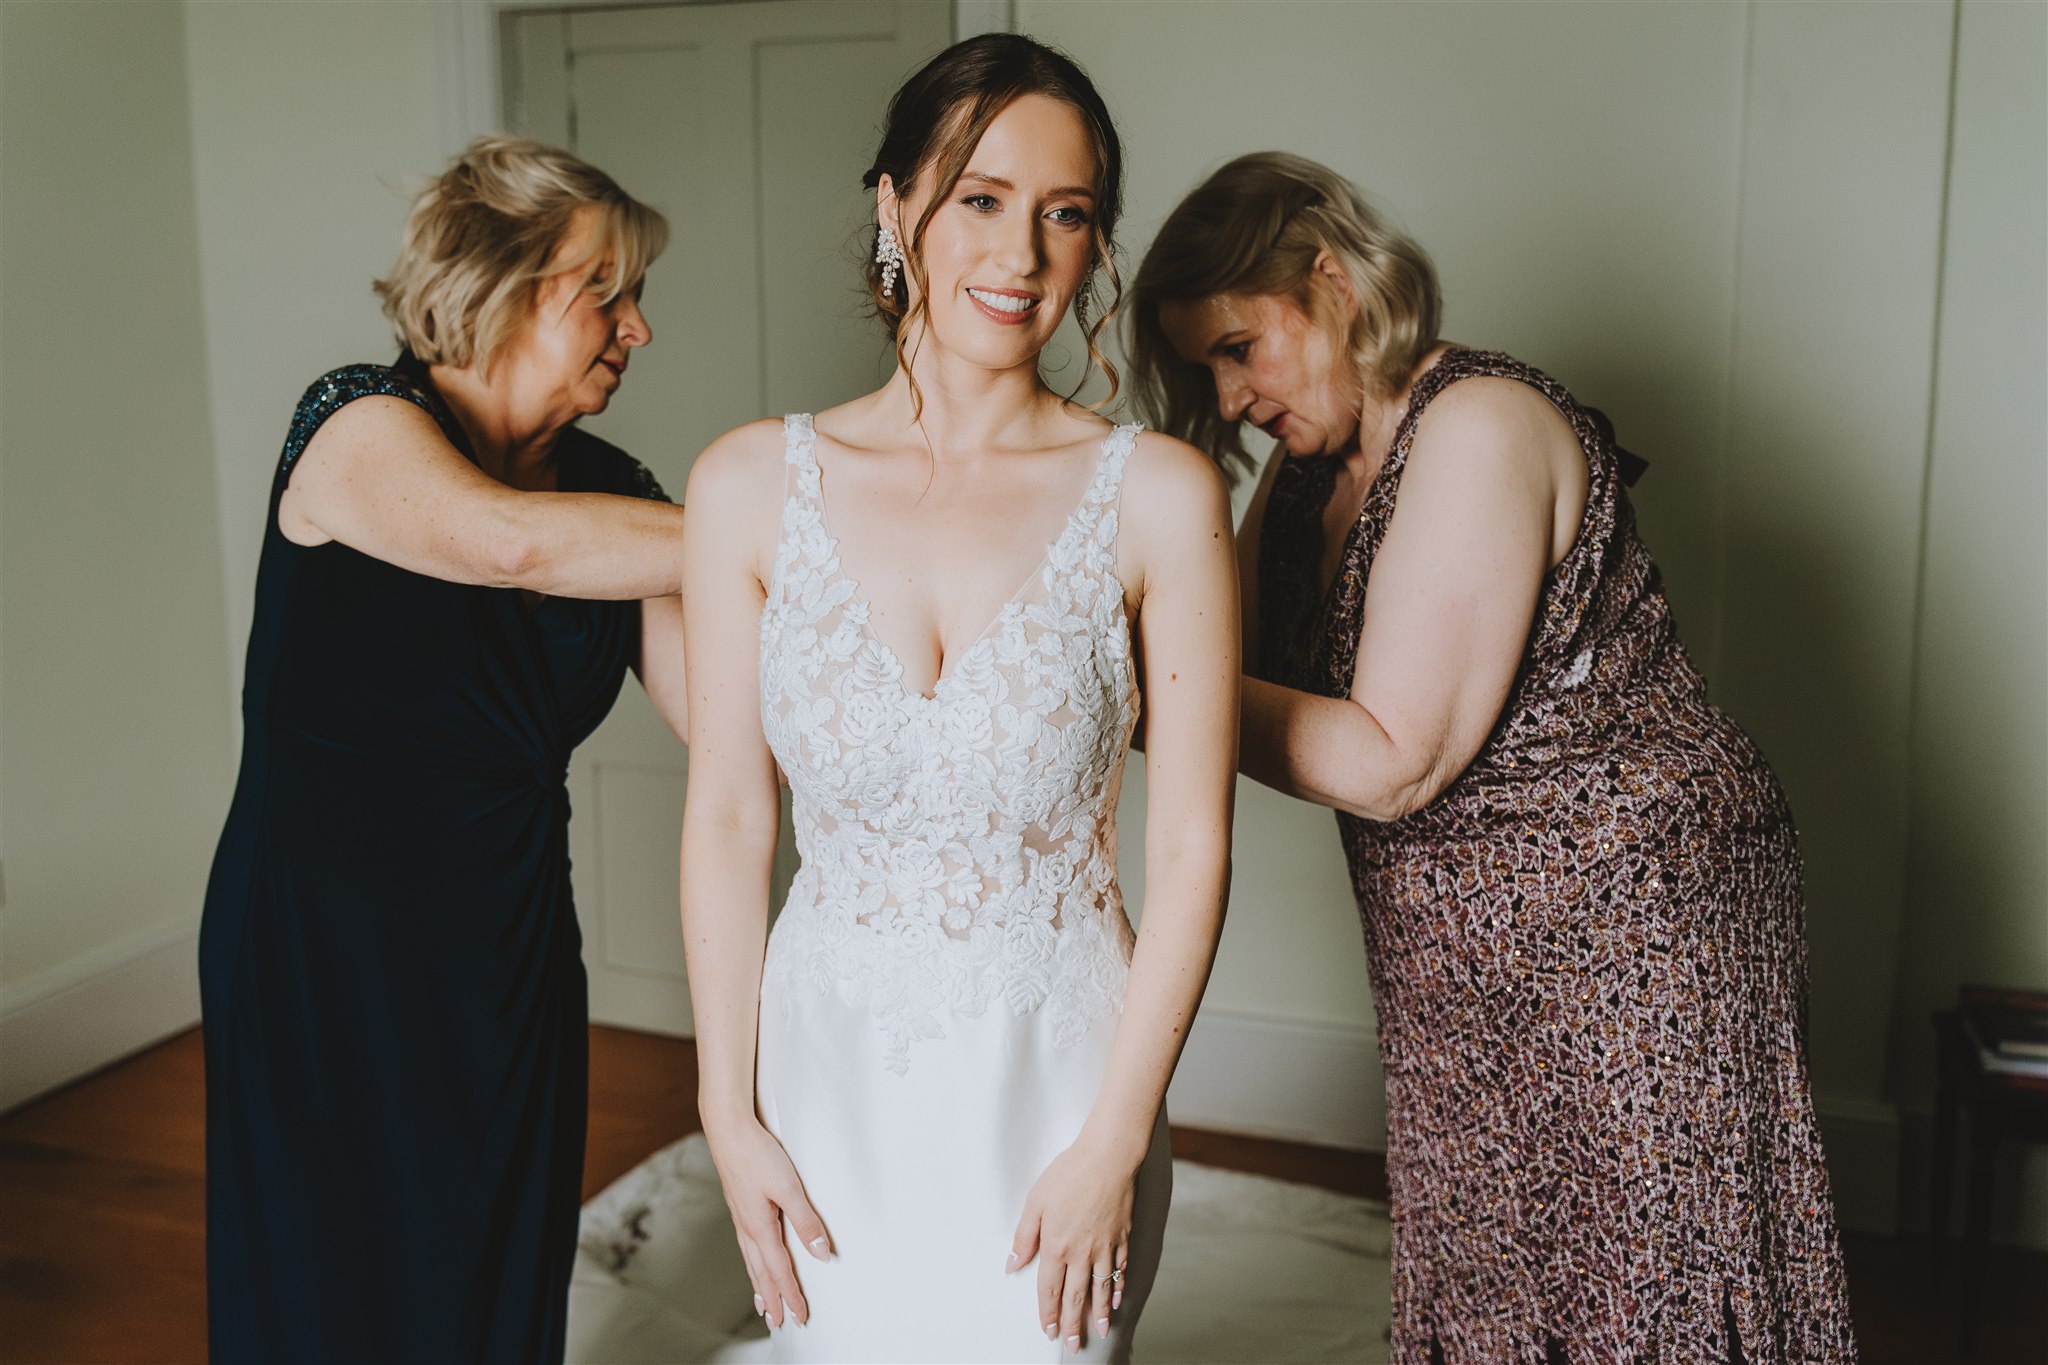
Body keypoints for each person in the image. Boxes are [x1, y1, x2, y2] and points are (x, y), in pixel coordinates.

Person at [1130, 151, 1857, 1365]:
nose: (1231, 394)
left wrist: (1140, 688)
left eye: (1238, 346)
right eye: (1206, 367)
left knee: (1641, 1270)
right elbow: (1221, 648)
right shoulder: (1307, 478)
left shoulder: (1477, 424)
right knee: (1488, 1253)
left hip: (1636, 914)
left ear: (1330, 283)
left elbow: (1388, 763)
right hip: (1455, 942)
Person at [678, 34, 1238, 1365]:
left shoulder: (1157, 494)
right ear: (895, 207)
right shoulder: (748, 486)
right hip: (824, 1070)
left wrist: (1115, 1137)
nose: (1022, 255)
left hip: (1062, 1079)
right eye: (982, 200)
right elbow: (726, 827)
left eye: (1067, 214)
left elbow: (1191, 846)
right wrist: (725, 1106)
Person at [200, 136, 688, 1364]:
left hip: (511, 941)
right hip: (324, 945)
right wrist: (822, 517)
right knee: (339, 1262)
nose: (637, 330)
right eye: (606, 295)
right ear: (500, 281)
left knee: (496, 1249)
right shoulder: (355, 423)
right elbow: (506, 544)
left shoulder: (617, 492)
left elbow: (726, 719)